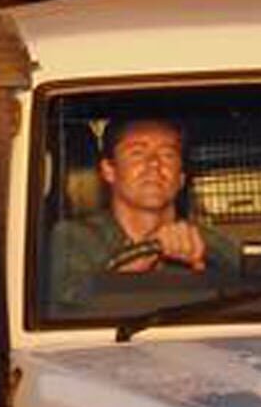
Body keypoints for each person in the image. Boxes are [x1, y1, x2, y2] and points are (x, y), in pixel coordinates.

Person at [49, 115, 207, 304]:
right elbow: (65, 308)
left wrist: (204, 272)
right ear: (109, 170)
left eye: (168, 155)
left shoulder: (210, 243)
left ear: (181, 178)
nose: (155, 164)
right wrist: (137, 259)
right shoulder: (74, 239)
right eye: (137, 153)